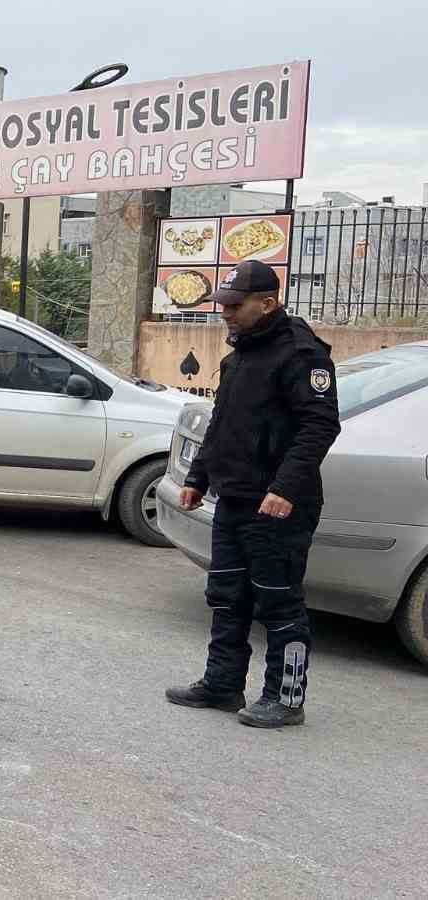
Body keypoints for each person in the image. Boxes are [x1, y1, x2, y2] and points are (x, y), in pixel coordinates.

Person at [168, 260, 339, 729]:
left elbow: (319, 426)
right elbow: (222, 421)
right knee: (227, 596)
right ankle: (223, 685)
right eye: (222, 304)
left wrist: (285, 488)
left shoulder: (301, 354)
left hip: (279, 505)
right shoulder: (240, 352)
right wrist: (197, 478)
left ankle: (285, 699)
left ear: (268, 303)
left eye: (234, 305)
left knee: (278, 602)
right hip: (235, 498)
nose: (225, 313)